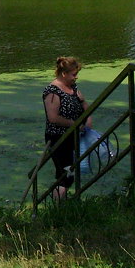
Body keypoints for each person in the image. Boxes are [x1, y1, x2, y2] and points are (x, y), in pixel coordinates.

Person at [42, 56, 91, 195]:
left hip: (75, 136)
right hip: (58, 138)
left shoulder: (73, 88)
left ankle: (64, 204)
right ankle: (57, 205)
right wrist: (74, 124)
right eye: (74, 75)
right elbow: (53, 118)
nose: (76, 78)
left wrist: (87, 120)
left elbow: (84, 105)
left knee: (72, 172)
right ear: (64, 74)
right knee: (65, 174)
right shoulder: (52, 91)